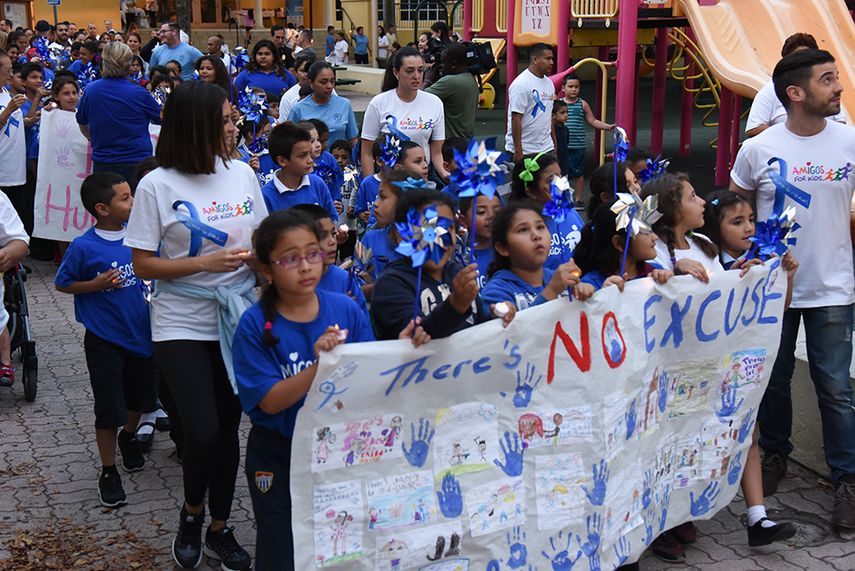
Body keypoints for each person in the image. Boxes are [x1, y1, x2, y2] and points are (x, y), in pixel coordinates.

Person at [232, 210, 426, 569]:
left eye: (313, 253)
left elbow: (369, 376)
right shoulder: (253, 325)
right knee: (281, 547)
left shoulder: (345, 308)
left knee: (341, 543)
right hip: (280, 453)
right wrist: (320, 368)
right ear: (267, 268)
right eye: (290, 258)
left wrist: (399, 349)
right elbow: (269, 402)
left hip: (340, 450)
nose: (305, 266)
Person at [124, 81, 264, 571]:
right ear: (196, 126)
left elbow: (263, 240)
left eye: (233, 118)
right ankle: (191, 512)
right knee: (200, 430)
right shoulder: (156, 185)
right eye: (225, 120)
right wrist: (206, 266)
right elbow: (143, 264)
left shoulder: (243, 173)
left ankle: (220, 529)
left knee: (228, 432)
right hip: (180, 320)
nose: (234, 126)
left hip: (238, 317)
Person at [730, 48, 855, 529]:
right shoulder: (758, 149)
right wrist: (745, 257)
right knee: (772, 381)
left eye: (837, 78)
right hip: (769, 291)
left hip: (834, 289)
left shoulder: (848, 142)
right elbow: (733, 212)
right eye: (828, 80)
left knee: (836, 389)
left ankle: (847, 480)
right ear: (796, 93)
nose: (839, 88)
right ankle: (776, 456)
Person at [54, 172, 152, 508]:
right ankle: (108, 471)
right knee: (108, 408)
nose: (133, 202)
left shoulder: (141, 237)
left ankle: (129, 437)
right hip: (104, 339)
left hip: (142, 334)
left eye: (132, 195)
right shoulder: (84, 246)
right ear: (102, 208)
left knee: (138, 398)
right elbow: (63, 283)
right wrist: (93, 285)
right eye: (125, 198)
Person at [371, 189, 514, 340]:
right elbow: (417, 338)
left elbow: (477, 330)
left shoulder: (457, 272)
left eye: (448, 228)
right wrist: (455, 305)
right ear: (402, 235)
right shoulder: (390, 285)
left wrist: (496, 318)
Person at [76, 42, 161, 186]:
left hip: (104, 160)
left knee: (106, 205)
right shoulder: (139, 92)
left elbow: (82, 122)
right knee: (139, 206)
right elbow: (162, 119)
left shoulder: (91, 90)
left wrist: (94, 140)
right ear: (128, 64)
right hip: (137, 161)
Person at [481, 202, 593, 309]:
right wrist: (551, 291)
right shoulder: (496, 293)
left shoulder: (559, 279)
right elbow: (517, 328)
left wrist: (587, 292)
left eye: (540, 227)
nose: (536, 235)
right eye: (523, 230)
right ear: (503, 248)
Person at [361, 46, 447, 180]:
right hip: (388, 178)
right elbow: (366, 153)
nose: (417, 76)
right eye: (410, 71)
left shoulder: (434, 103)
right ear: (396, 72)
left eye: (420, 70)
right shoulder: (378, 103)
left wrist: (445, 174)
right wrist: (370, 185)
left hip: (422, 178)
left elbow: (436, 152)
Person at [745, 33, 845, 138]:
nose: (803, 63)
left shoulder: (826, 89)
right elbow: (754, 128)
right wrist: (790, 135)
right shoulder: (771, 89)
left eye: (807, 57)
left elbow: (840, 121)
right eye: (797, 59)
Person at [509, 153, 584, 269]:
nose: (560, 184)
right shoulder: (524, 229)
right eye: (551, 180)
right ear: (531, 192)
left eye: (560, 176)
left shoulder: (570, 213)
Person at [644, 173, 722, 279]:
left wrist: (737, 274)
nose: (702, 202)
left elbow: (721, 284)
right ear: (673, 209)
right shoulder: (653, 251)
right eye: (693, 197)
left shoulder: (703, 241)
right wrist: (677, 272)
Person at [292, 203, 368, 312]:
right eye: (323, 236)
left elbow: (362, 324)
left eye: (333, 234)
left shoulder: (346, 280)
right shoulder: (289, 283)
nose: (332, 242)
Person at [261, 122, 338, 219]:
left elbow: (331, 222)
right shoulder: (266, 195)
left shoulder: (317, 184)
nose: (310, 160)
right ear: (282, 161)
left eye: (310, 153)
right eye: (302, 155)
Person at [561, 72, 616, 196]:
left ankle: (579, 198)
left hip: (578, 145)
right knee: (561, 173)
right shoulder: (559, 104)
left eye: (577, 86)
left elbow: (592, 120)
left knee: (578, 173)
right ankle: (562, 199)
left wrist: (608, 127)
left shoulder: (582, 104)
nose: (574, 89)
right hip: (562, 144)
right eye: (570, 86)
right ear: (563, 88)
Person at [287, 61, 358, 146]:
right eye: (323, 82)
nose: (329, 86)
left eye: (332, 81)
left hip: (338, 157)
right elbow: (289, 140)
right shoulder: (298, 109)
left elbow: (353, 139)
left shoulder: (344, 104)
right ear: (311, 83)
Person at [506, 43, 555, 161]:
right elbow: (516, 118)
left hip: (546, 148)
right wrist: (519, 151)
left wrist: (553, 144)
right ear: (535, 59)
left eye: (552, 58)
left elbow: (548, 115)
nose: (551, 62)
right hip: (525, 151)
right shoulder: (521, 84)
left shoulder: (549, 83)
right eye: (548, 59)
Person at [425, 43, 479, 140]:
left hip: (450, 143)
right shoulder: (470, 78)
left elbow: (419, 97)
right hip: (464, 140)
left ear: (453, 64)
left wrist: (428, 78)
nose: (441, 66)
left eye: (443, 62)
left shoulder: (449, 82)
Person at [457, 192, 502, 288]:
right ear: (462, 220)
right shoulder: (460, 262)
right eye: (481, 212)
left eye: (497, 212)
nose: (491, 216)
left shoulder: (514, 253)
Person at [277, 51, 316, 122]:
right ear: (295, 73)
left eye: (309, 70)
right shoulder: (288, 97)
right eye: (303, 71)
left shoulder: (326, 90)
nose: (306, 74)